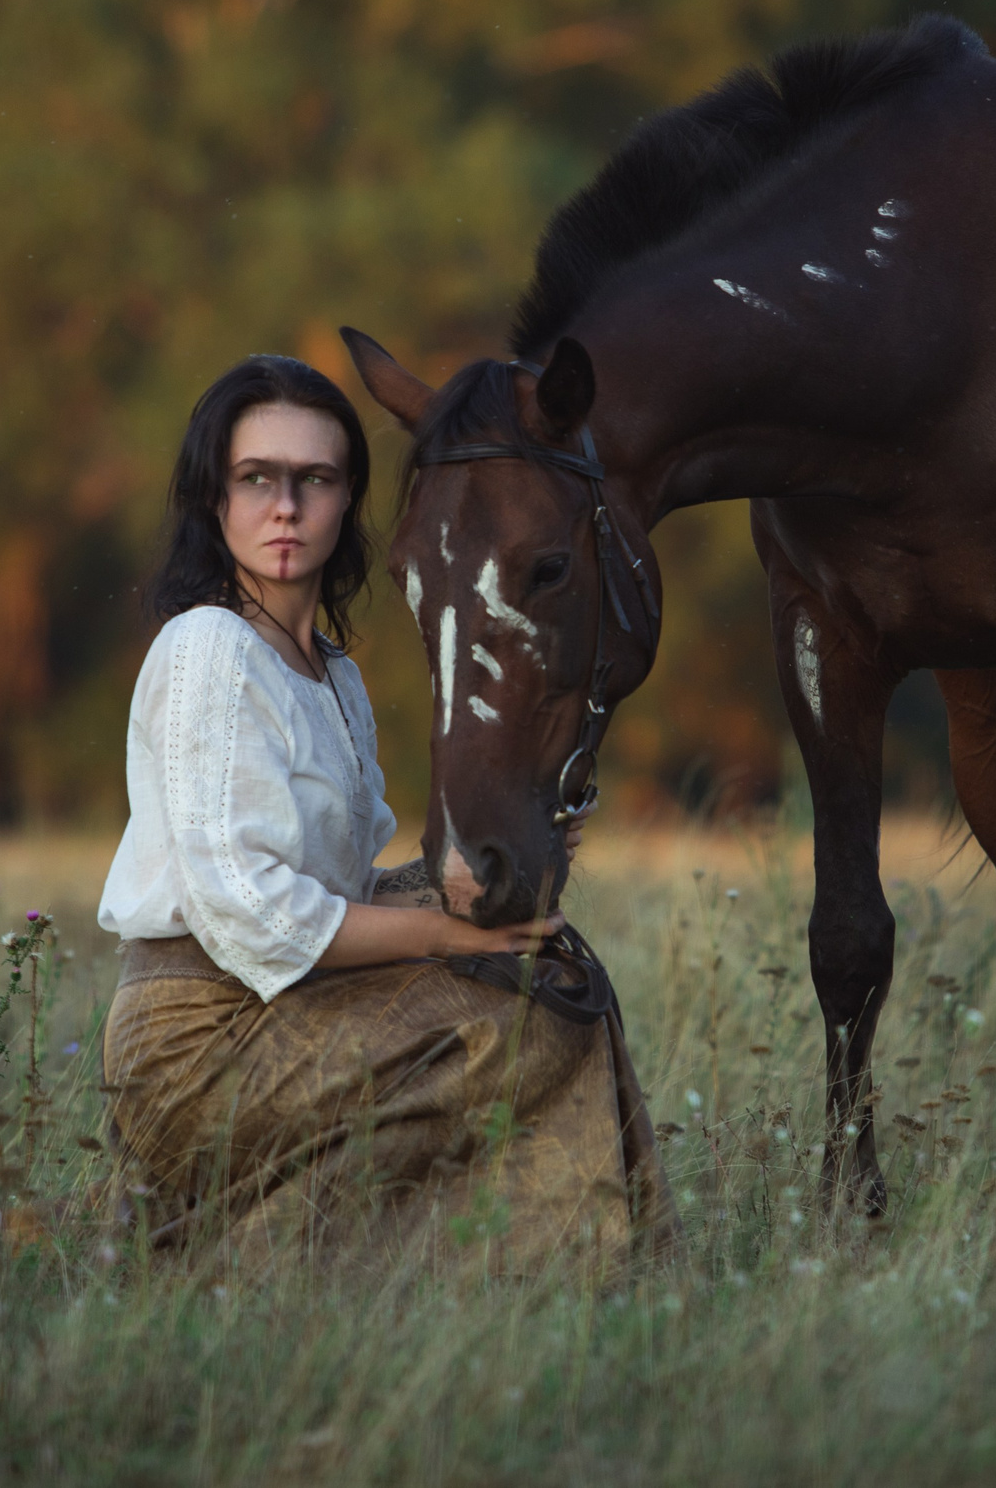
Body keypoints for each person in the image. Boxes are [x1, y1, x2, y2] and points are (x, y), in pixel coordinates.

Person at [96, 355, 675, 1272]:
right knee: (523, 1018)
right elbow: (249, 908)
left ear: (347, 501)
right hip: (196, 1044)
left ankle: (599, 1268)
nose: (285, 507)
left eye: (315, 480)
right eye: (257, 479)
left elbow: (346, 891)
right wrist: (452, 941)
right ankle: (225, 1254)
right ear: (216, 498)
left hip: (288, 1012)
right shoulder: (209, 646)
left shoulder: (337, 680)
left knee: (557, 974)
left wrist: (493, 874)